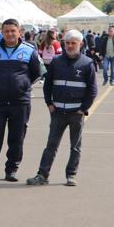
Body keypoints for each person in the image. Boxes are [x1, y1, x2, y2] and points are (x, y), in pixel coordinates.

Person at [25, 30, 96, 187]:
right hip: (57, 113)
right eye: (67, 43)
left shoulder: (87, 63)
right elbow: (48, 85)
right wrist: (49, 104)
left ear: (80, 44)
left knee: (75, 147)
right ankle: (42, 175)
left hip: (76, 114)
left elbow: (92, 90)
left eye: (73, 43)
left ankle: (71, 175)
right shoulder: (56, 62)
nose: (70, 46)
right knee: (51, 145)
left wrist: (83, 108)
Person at [0, 18, 42, 183]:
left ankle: (11, 170)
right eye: (6, 31)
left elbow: (38, 72)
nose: (10, 34)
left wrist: (23, 85)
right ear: (2, 33)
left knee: (17, 137)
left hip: (20, 102)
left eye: (13, 31)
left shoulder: (29, 50)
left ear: (19, 31)